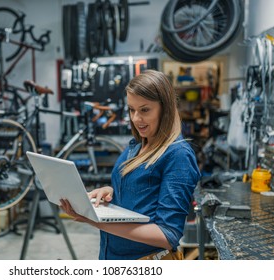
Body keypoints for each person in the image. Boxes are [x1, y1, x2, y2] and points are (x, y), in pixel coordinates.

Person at [60, 69, 201, 260]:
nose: (135, 119)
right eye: (131, 110)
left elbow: (167, 235)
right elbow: (142, 189)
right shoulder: (137, 145)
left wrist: (96, 221)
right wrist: (110, 191)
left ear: (165, 109)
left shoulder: (178, 156)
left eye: (144, 110)